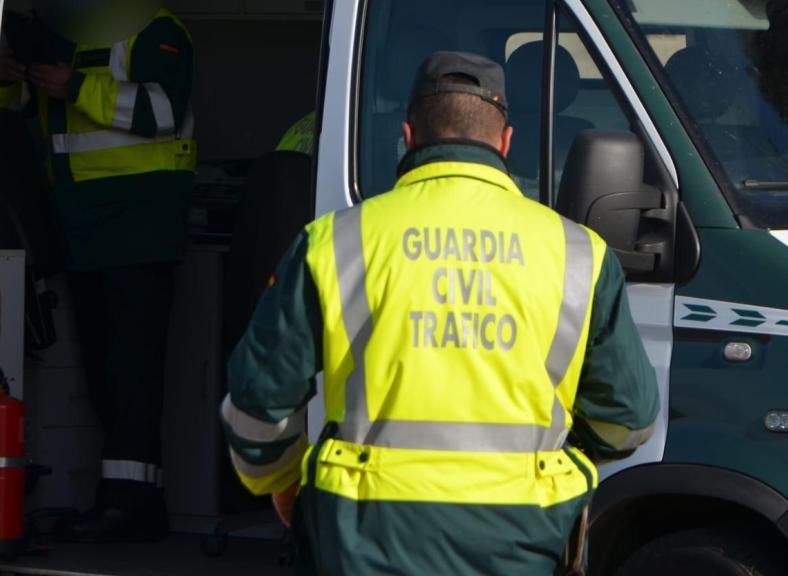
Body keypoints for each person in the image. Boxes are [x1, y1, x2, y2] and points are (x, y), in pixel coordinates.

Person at [221, 51, 658, 574]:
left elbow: (257, 404)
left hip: (361, 535)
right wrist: (553, 467)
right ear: (505, 142)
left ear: (408, 136)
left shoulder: (335, 243)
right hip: (522, 536)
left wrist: (280, 482)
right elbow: (628, 419)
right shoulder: (579, 254)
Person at [0, 0, 196, 541]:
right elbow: (26, 112)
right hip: (81, 226)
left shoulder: (159, 30)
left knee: (132, 374)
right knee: (106, 374)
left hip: (139, 225)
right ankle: (132, 504)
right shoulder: (60, 36)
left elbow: (163, 111)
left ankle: (126, 506)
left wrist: (75, 86)